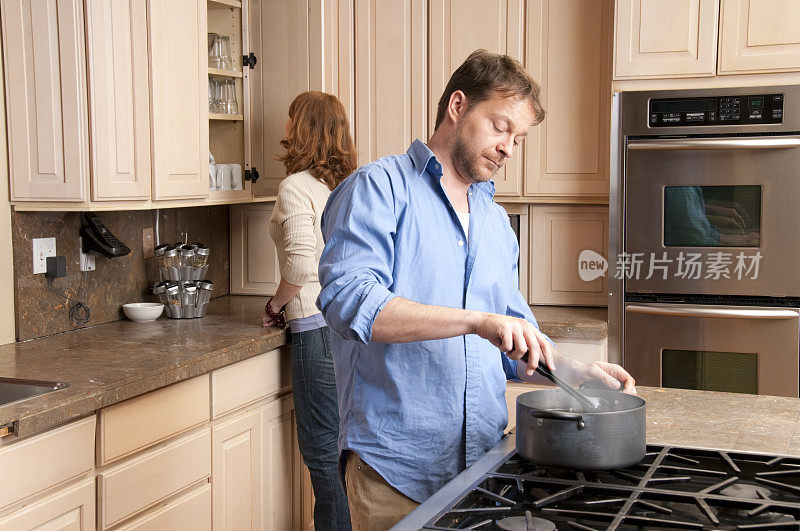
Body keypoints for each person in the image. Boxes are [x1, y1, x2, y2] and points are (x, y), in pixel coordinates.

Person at [316, 50, 637, 530]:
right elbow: (351, 305)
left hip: (485, 467)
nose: (509, 147)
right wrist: (475, 320)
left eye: (519, 138)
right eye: (501, 126)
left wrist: (576, 371)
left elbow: (513, 342)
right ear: (458, 105)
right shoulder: (377, 189)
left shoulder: (494, 221)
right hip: (396, 472)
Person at [262, 90, 356, 530]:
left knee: (322, 454)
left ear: (300, 129)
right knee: (347, 454)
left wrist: (276, 303)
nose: (283, 127)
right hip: (353, 330)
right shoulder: (347, 186)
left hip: (316, 332)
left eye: (289, 118)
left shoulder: (296, 187)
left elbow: (302, 262)